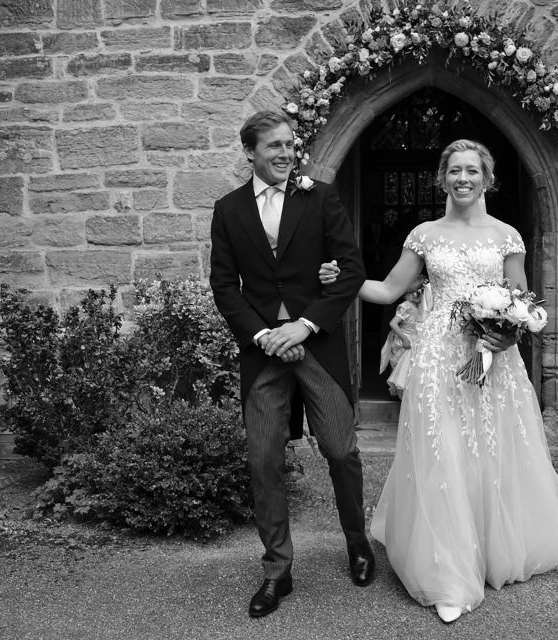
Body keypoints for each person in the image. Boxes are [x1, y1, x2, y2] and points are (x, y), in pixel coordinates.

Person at [319, 139, 558, 623]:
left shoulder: (507, 235)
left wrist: (508, 331)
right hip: (437, 360)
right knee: (442, 450)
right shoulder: (425, 235)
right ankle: (448, 572)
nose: (464, 179)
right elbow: (387, 289)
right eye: (455, 171)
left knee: (490, 445)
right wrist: (341, 279)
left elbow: (522, 300)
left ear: (487, 178)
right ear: (442, 178)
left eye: (472, 171)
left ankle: (494, 549)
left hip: (492, 361)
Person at [209, 110, 373, 619]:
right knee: (263, 460)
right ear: (250, 152)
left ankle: (358, 545)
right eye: (274, 146)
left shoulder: (320, 197)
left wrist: (304, 326)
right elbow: (224, 286)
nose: (285, 153)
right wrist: (263, 335)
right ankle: (277, 571)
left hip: (317, 345)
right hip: (263, 356)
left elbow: (351, 270)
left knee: (341, 451)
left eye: (289, 144)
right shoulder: (228, 209)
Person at [378, 279, 430, 398]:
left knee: (410, 369)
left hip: (414, 339)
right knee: (402, 367)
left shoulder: (418, 307)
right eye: (416, 293)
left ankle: (408, 396)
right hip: (405, 340)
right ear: (410, 293)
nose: (419, 296)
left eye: (421, 293)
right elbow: (393, 323)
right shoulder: (406, 306)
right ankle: (402, 395)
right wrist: (404, 339)